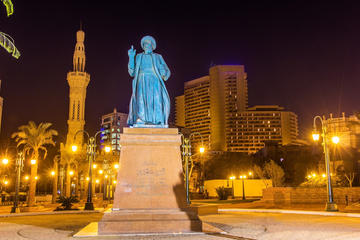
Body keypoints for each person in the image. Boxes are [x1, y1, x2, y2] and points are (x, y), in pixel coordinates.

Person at [127, 36, 171, 127]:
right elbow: (132, 72)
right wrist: (131, 57)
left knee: (156, 100)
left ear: (152, 46)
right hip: (141, 80)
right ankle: (141, 119)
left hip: (155, 80)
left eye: (149, 44)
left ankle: (158, 120)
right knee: (141, 100)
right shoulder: (138, 56)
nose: (147, 45)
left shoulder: (158, 57)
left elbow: (167, 70)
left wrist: (164, 73)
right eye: (145, 44)